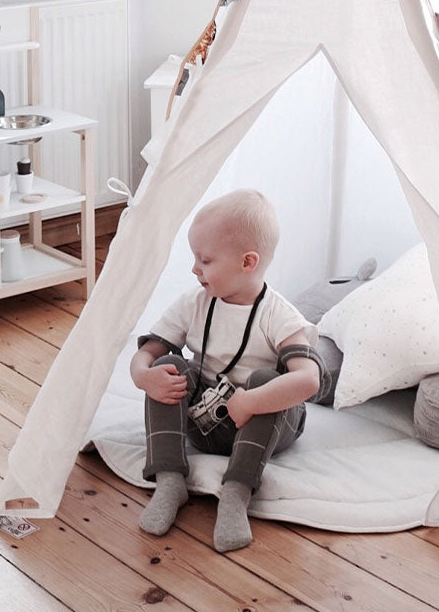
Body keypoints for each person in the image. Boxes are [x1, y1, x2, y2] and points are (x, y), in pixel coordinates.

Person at [130, 189, 322, 552]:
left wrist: (252, 400)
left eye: (205, 260)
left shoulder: (278, 315)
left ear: (247, 262)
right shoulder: (194, 303)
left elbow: (309, 379)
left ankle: (236, 492)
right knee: (167, 366)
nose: (194, 269)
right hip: (205, 420)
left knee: (270, 381)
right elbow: (147, 353)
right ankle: (170, 480)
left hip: (258, 424)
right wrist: (144, 376)